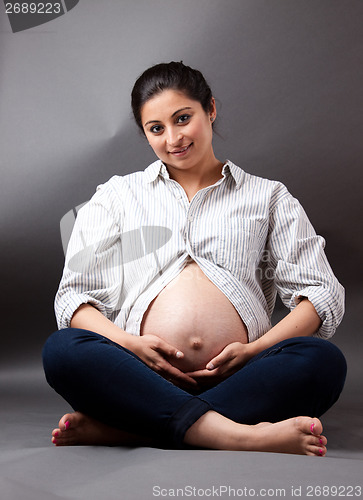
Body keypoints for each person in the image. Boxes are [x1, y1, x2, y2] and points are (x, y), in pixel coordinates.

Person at [42, 61, 347, 455]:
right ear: (146, 134)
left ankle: (135, 430)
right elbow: (75, 297)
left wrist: (255, 351)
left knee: (323, 360)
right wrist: (129, 346)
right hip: (139, 375)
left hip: (243, 375)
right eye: (156, 128)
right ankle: (237, 434)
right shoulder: (117, 196)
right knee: (63, 350)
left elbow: (320, 293)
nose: (173, 138)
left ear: (211, 109)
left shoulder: (268, 197)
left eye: (183, 118)